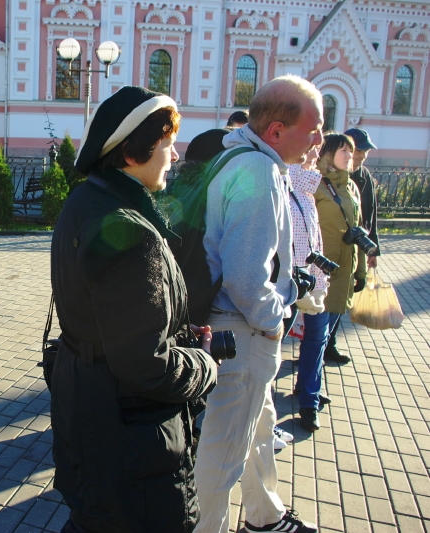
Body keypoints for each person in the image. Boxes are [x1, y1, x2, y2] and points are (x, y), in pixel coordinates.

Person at [51, 86, 217, 533]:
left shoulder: (86, 200)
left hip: (89, 404)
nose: (175, 154)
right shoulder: (127, 230)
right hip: (126, 430)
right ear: (132, 151)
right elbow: (146, 366)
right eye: (167, 143)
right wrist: (205, 364)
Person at [194, 75, 322, 533]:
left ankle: (265, 517)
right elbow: (247, 278)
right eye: (314, 129)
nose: (319, 142)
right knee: (222, 456)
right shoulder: (259, 171)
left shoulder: (236, 155)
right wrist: (273, 321)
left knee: (259, 431)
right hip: (242, 331)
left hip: (233, 328)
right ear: (276, 132)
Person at [323, 128, 380, 364]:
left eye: (362, 151)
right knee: (321, 321)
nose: (360, 156)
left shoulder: (361, 178)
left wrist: (373, 248)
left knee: (336, 310)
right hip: (329, 260)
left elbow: (369, 216)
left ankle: (329, 347)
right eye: (355, 150)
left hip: (352, 254)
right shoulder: (323, 183)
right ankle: (320, 353)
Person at [287, 145, 333, 431]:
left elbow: (314, 239)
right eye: (312, 146)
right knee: (274, 346)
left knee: (317, 339)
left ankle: (309, 401)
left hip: (313, 281)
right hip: (290, 285)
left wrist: (321, 279)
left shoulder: (307, 188)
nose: (316, 150)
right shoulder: (285, 184)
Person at [314, 133, 368, 374]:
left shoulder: (351, 186)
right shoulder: (314, 183)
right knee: (315, 338)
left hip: (346, 268)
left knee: (324, 337)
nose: (350, 156)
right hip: (322, 271)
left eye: (351, 150)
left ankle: (311, 387)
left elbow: (358, 229)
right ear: (327, 154)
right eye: (344, 151)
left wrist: (361, 271)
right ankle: (308, 395)